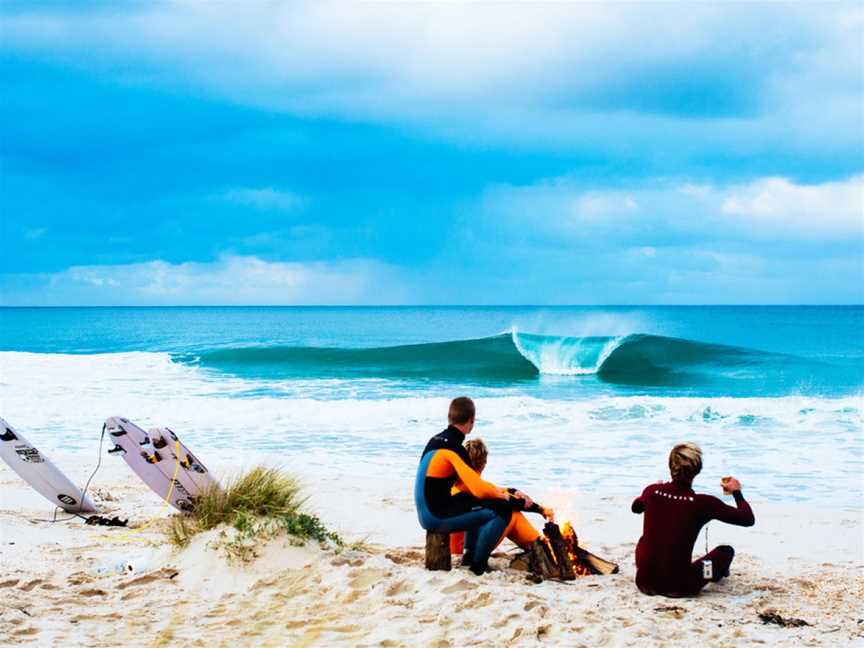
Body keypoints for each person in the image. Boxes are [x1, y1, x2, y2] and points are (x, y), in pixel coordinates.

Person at [415, 397, 534, 575]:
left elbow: (466, 488)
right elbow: (478, 489)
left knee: (474, 502)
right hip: (435, 516)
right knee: (501, 509)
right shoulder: (455, 448)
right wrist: (507, 499)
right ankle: (477, 566)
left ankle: (469, 556)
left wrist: (506, 493)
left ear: (450, 417)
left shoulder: (436, 440)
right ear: (471, 420)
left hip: (427, 510)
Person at [631, 442, 755, 597]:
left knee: (645, 540)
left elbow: (635, 508)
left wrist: (652, 493)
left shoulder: (651, 491)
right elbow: (747, 519)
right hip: (680, 587)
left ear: (670, 465)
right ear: (697, 470)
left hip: (644, 582)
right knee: (725, 552)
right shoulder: (703, 503)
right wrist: (736, 492)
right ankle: (716, 574)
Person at [450, 438, 553, 556]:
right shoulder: (481, 489)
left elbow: (497, 491)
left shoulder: (455, 484)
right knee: (513, 514)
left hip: (451, 548)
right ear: (484, 462)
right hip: (462, 550)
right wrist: (542, 510)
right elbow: (508, 500)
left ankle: (538, 546)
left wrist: (514, 490)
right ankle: (539, 548)